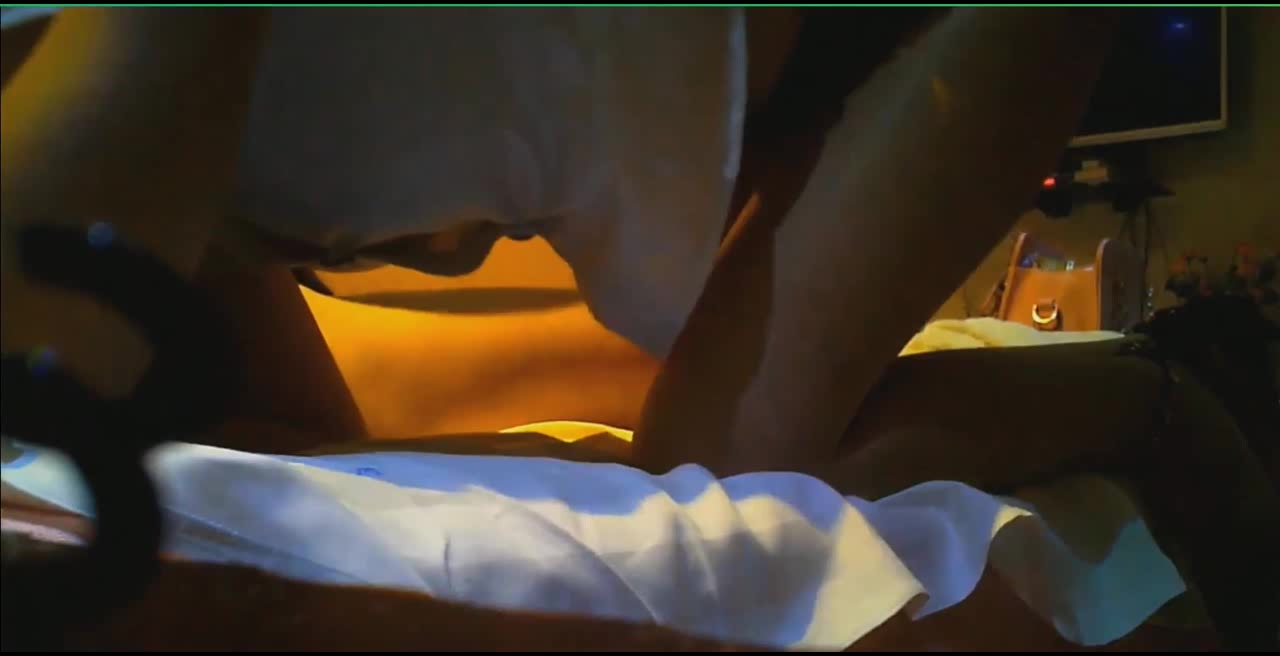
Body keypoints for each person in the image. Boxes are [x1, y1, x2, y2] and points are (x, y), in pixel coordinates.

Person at [2, 7, 1276, 650]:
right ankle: (1162, 381)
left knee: (760, 472)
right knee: (739, 453)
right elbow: (313, 420)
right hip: (745, 81)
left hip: (911, 38)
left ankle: (1166, 385)